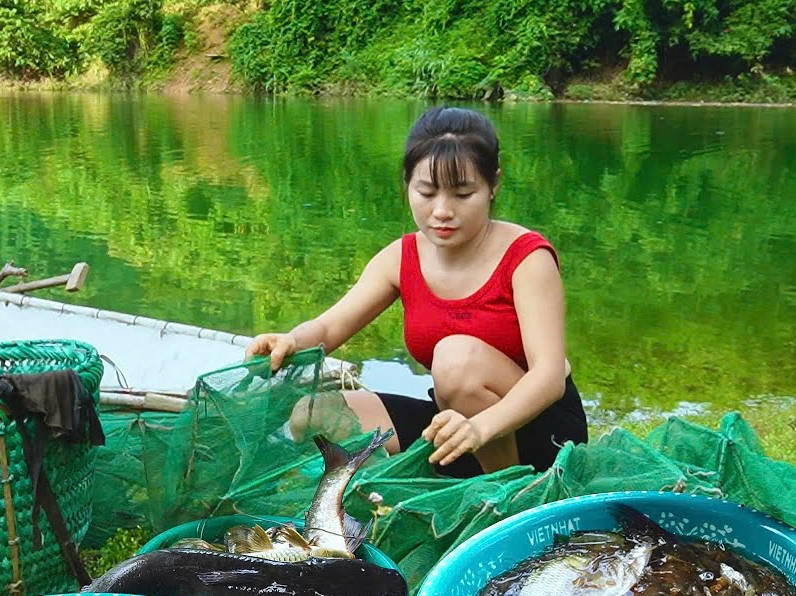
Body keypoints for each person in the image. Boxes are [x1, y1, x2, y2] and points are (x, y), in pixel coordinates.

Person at [245, 106, 588, 477]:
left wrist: (481, 428)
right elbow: (330, 329)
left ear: (494, 186)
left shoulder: (526, 258)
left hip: (538, 430)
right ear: (408, 184)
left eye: (462, 194)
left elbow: (549, 377)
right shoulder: (401, 257)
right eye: (426, 192)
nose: (441, 211)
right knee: (312, 415)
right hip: (456, 424)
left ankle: (510, 494)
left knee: (455, 358)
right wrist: (291, 340)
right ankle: (429, 486)